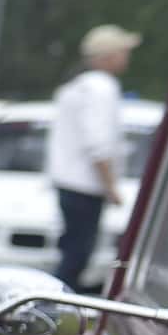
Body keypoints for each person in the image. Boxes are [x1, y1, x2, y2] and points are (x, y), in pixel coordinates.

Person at [49, 24, 138, 290]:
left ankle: (59, 297)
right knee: (78, 254)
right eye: (123, 52)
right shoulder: (102, 87)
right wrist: (110, 185)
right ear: (108, 56)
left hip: (67, 180)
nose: (127, 58)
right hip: (86, 183)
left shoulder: (74, 86)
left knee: (72, 249)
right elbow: (98, 142)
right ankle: (57, 301)